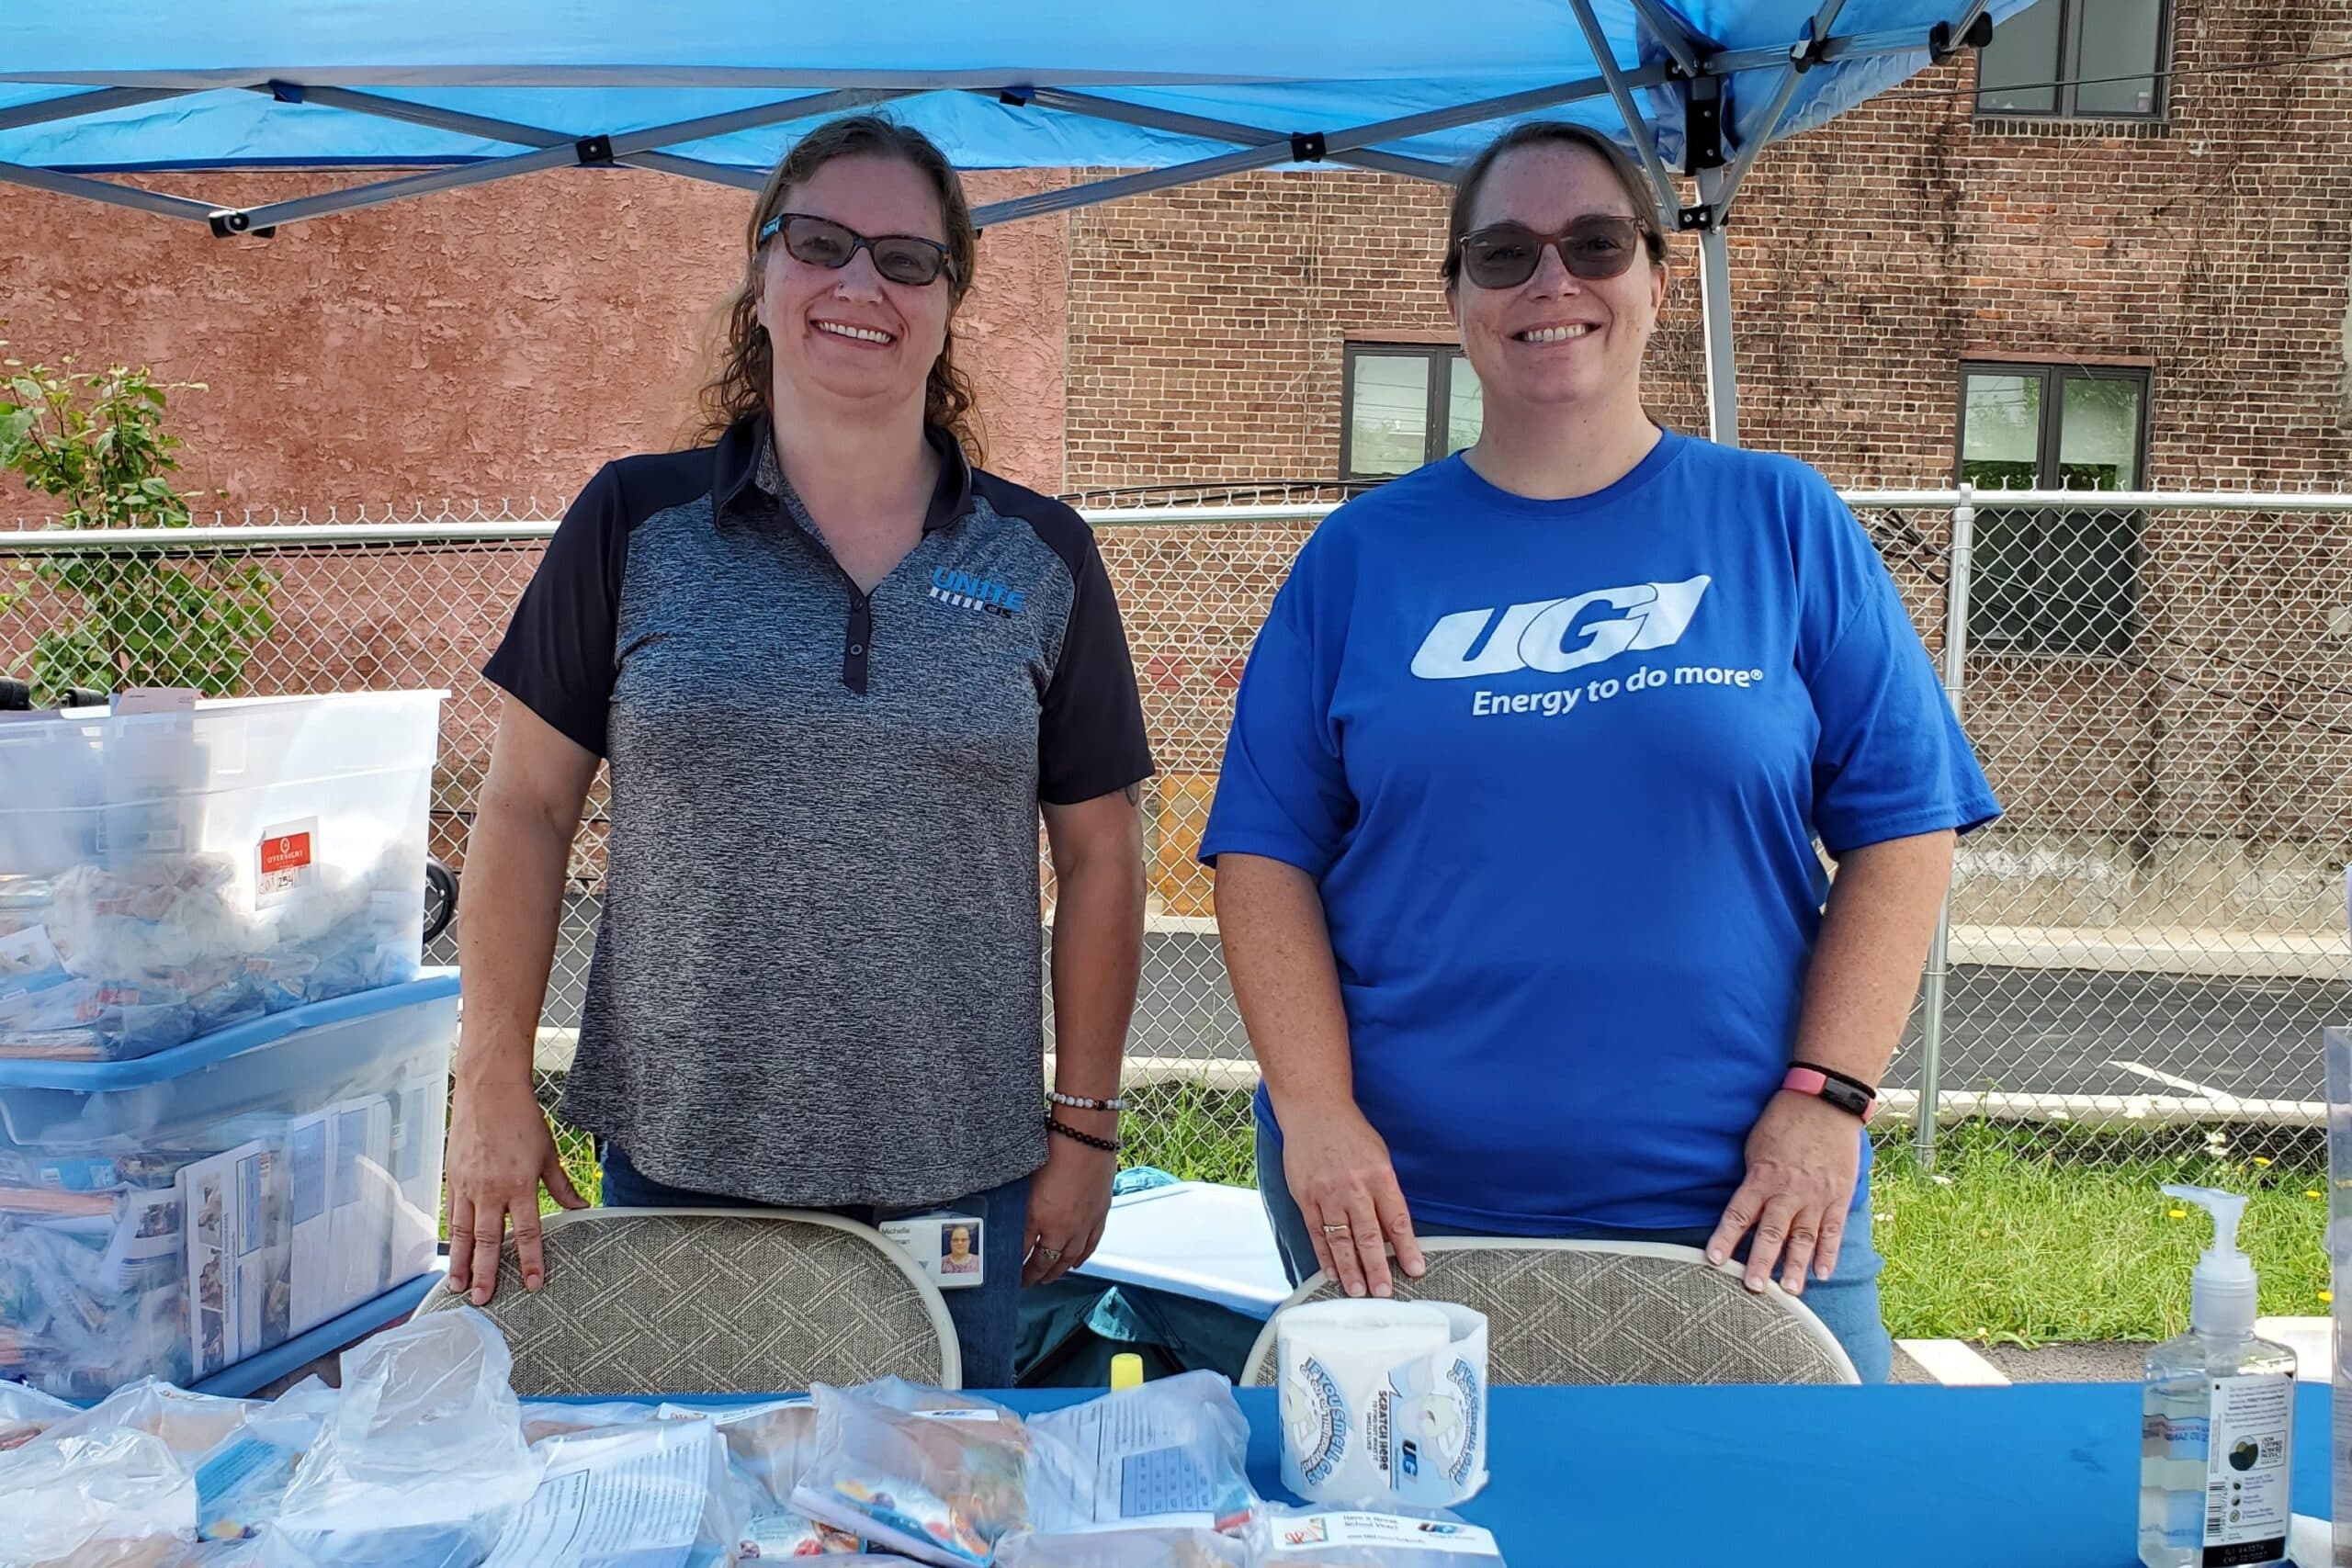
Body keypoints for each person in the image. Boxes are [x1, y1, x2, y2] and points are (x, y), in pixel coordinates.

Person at [1200, 120, 2001, 1382]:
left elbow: (1905, 828)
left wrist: (1827, 1098)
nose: (1550, 282)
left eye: (1594, 244)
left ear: (1657, 279)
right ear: (1457, 297)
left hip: (1746, 1204)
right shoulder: (1361, 558)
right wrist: (1316, 1116)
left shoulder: (1779, 520)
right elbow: (1260, 858)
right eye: (1505, 252)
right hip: (1404, 1208)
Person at [444, 115, 1153, 1388]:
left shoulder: (1041, 558)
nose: (860, 285)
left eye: (906, 259)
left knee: (932, 1510)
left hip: (958, 1173)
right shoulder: (634, 519)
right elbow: (525, 814)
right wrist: (490, 1076)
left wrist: (1086, 1128)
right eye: (821, 244)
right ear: (762, 278)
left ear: (949, 303)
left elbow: (1103, 857)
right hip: (683, 1153)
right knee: (691, 1502)